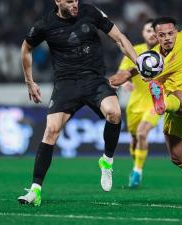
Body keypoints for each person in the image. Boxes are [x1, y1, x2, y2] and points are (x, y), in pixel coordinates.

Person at [18, 0, 138, 206]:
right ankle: (35, 191)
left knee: (115, 113)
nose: (75, 4)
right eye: (70, 1)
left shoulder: (90, 12)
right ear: (58, 2)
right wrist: (29, 81)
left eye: (76, 0)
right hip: (66, 84)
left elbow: (119, 38)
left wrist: (138, 61)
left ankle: (106, 161)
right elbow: (26, 48)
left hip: (94, 79)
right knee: (50, 131)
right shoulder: (44, 25)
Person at [109, 10, 182, 205]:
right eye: (162, 35)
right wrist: (120, 78)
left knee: (177, 97)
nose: (167, 38)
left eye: (170, 33)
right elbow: (135, 69)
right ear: (156, 36)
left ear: (176, 32)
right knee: (177, 156)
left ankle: (161, 101)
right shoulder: (152, 57)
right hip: (173, 110)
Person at [111, 19, 161, 188]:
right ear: (143, 33)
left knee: (142, 134)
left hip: (155, 103)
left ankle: (138, 171)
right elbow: (122, 72)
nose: (152, 33)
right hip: (135, 104)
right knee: (134, 139)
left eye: (154, 30)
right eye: (148, 30)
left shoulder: (165, 52)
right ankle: (136, 166)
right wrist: (124, 81)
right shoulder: (135, 51)